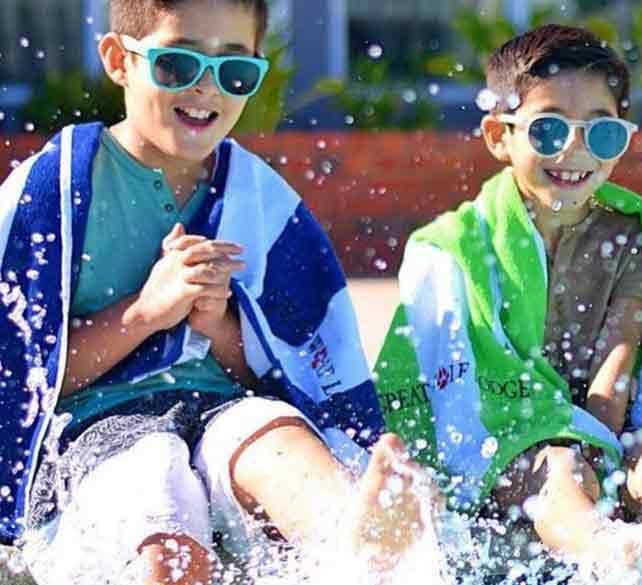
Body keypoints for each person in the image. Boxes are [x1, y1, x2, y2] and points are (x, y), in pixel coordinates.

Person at [0, 1, 434, 583]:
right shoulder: (49, 194)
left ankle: (356, 535)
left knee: (274, 440)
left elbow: (290, 371)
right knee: (161, 506)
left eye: (233, 72)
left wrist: (223, 329)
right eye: (178, 65)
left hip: (222, 408)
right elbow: (22, 382)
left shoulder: (262, 201)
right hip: (99, 426)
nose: (207, 90)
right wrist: (145, 313)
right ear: (118, 61)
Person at [374, 24, 642, 577]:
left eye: (601, 136)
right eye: (548, 131)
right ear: (498, 136)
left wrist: (607, 447)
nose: (574, 152)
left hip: (602, 425)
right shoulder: (456, 247)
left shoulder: (630, 234)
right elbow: (450, 389)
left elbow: (618, 367)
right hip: (514, 445)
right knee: (561, 464)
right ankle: (606, 550)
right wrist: (575, 448)